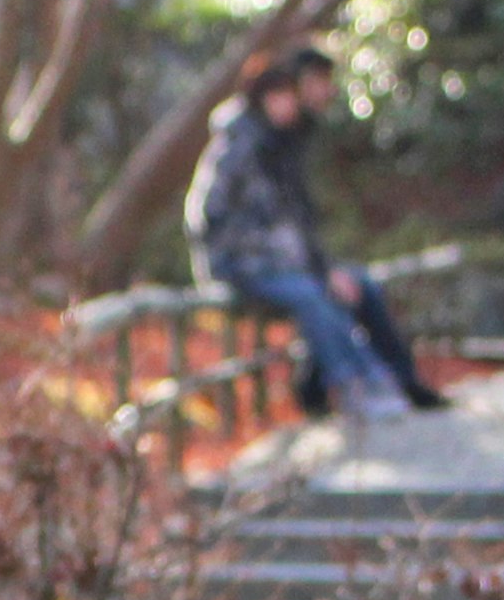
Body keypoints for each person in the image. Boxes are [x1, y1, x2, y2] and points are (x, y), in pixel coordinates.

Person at [186, 46, 447, 419]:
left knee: (360, 285)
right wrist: (314, 271)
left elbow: (296, 221)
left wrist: (322, 268)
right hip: (240, 264)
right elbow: (213, 216)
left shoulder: (283, 142)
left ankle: (395, 379)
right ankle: (357, 383)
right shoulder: (242, 145)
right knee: (314, 295)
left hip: (282, 262)